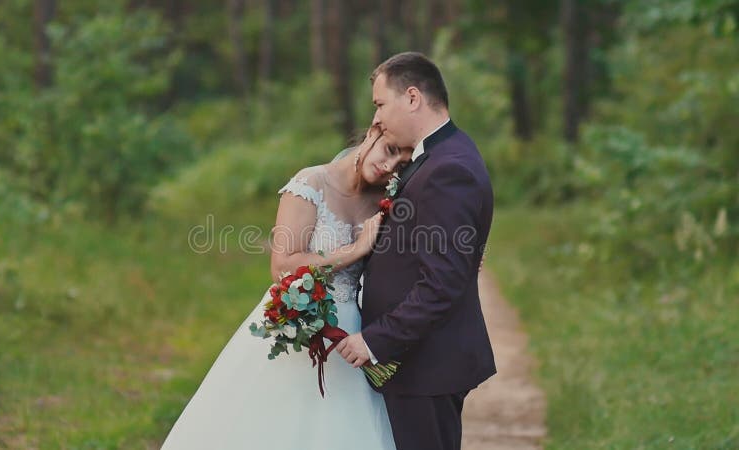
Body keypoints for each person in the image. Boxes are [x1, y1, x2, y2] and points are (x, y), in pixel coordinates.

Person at [160, 125, 413, 450]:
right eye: (389, 151)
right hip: (298, 323)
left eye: (401, 165)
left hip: (351, 336)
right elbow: (282, 266)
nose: (389, 166)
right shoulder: (311, 184)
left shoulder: (385, 203)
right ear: (372, 133)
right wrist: (355, 249)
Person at [336, 52, 496, 450]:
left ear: (411, 98)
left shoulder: (448, 168)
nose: (377, 118)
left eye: (380, 104)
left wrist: (375, 340)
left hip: (427, 366)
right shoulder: (439, 156)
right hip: (422, 363)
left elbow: (442, 282)